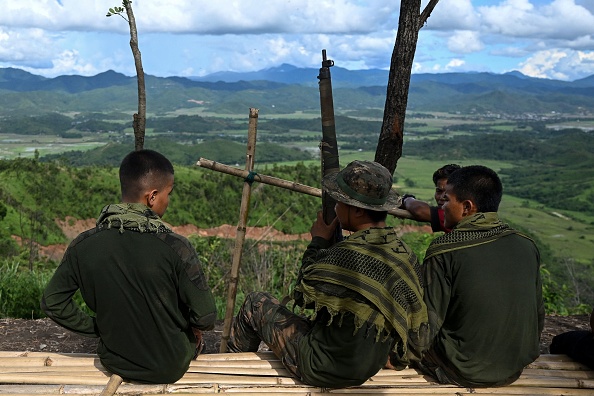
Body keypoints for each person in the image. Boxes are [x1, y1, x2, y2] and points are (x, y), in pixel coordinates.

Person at [227, 160, 429, 388]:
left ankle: (229, 375)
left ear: (357, 210)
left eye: (339, 202)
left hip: (322, 367)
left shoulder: (347, 256)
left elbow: (304, 293)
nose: (335, 208)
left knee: (255, 303)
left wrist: (318, 241)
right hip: (369, 365)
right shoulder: (404, 254)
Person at [41, 149, 217, 384]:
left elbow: (52, 302)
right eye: (168, 193)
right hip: (169, 367)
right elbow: (206, 318)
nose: (169, 200)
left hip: (115, 362)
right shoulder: (176, 247)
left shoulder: (83, 244)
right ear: (152, 196)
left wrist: (99, 327)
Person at [413, 165, 544, 387]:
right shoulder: (526, 244)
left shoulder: (445, 249)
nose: (441, 206)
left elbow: (427, 325)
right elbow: (538, 315)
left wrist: (399, 354)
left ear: (466, 207)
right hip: (514, 366)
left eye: (447, 200)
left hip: (464, 370)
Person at [399, 164, 461, 233]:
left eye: (448, 192)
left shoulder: (453, 215)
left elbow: (419, 210)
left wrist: (406, 199)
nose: (442, 197)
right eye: (439, 191)